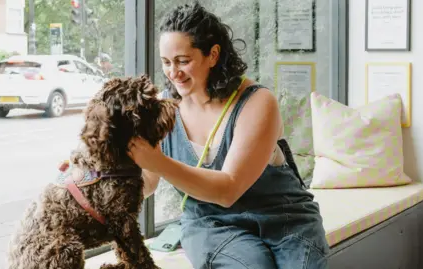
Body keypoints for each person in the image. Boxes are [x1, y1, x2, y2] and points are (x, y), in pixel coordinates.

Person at [128, 2, 329, 268]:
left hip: (284, 220)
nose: (173, 73)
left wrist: (157, 160)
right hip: (210, 225)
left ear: (212, 55)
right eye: (166, 63)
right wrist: (96, 176)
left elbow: (229, 189)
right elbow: (148, 182)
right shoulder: (162, 110)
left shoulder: (257, 101)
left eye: (183, 61)